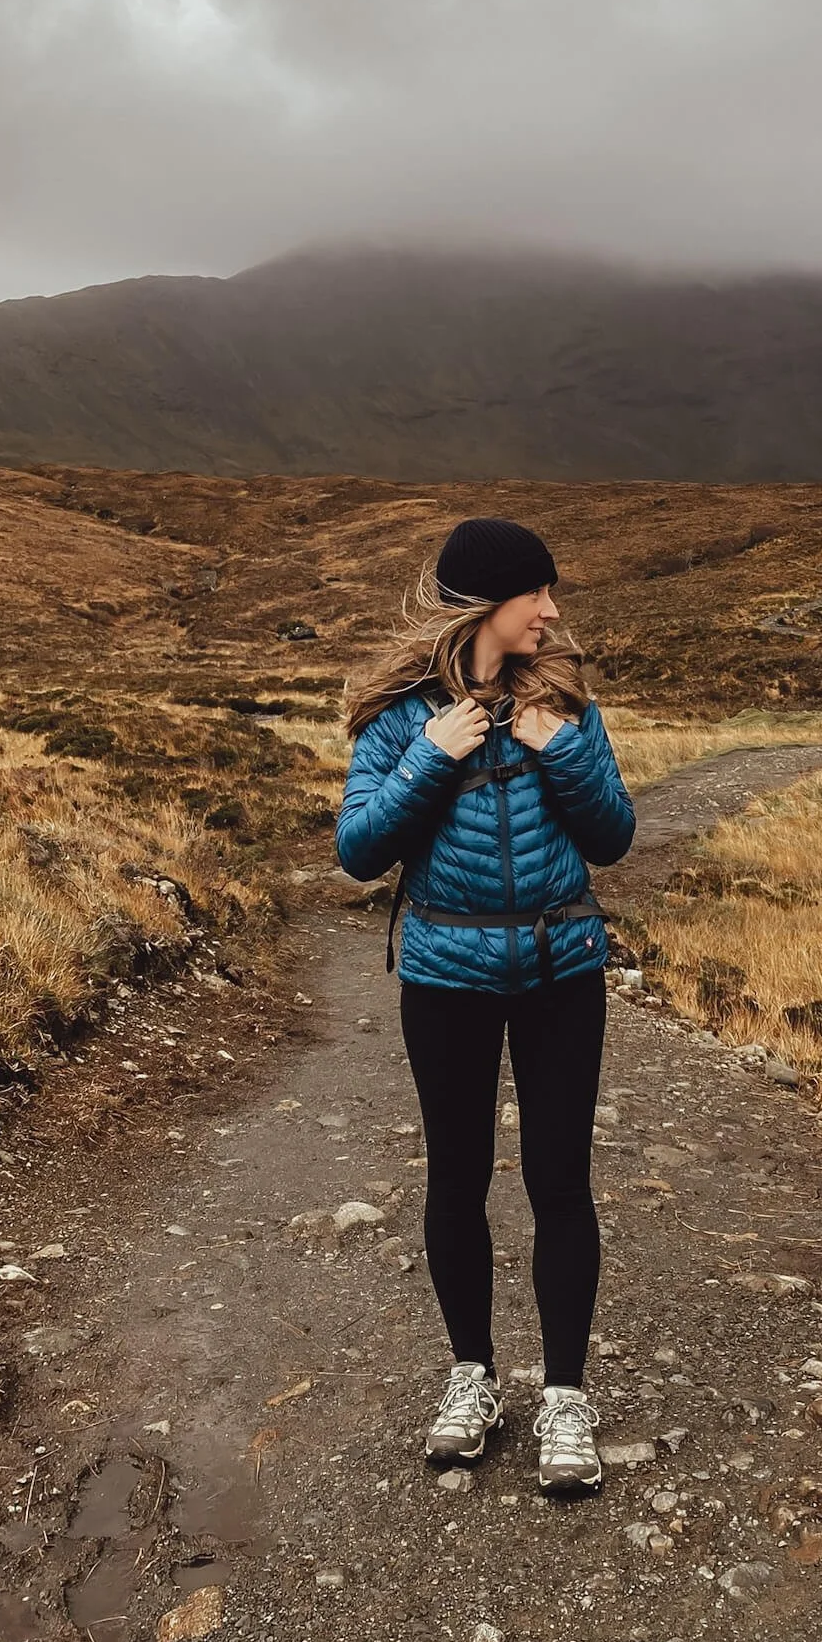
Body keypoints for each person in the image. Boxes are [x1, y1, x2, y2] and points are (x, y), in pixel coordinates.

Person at [335, 516, 636, 1493]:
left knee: (560, 1180)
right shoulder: (398, 717)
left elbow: (613, 833)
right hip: (445, 974)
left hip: (562, 969)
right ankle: (473, 1376)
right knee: (456, 1178)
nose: (553, 610)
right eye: (535, 594)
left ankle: (565, 1397)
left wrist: (564, 752)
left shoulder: (564, 703)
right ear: (485, 606)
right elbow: (358, 849)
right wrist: (430, 753)